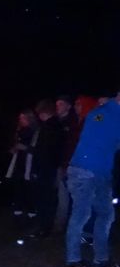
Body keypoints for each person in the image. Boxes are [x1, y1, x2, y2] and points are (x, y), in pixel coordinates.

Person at [65, 89, 120, 267]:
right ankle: (73, 259)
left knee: (106, 214)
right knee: (82, 214)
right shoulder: (100, 113)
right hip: (84, 170)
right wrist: (106, 105)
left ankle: (101, 258)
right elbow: (95, 125)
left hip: (102, 173)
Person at [29, 100, 64, 237]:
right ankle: (43, 226)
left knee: (44, 198)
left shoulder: (49, 127)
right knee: (46, 197)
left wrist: (37, 168)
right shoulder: (55, 126)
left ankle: (44, 227)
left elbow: (44, 150)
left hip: (45, 168)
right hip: (49, 167)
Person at [4, 109, 39, 225]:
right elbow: (15, 145)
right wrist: (14, 149)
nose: (21, 120)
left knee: (29, 190)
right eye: (20, 118)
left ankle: (31, 215)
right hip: (19, 163)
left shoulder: (35, 131)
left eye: (23, 118)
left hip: (30, 164)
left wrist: (25, 148)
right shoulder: (20, 130)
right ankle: (17, 214)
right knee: (18, 188)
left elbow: (38, 149)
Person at [54, 96, 78, 227]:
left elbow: (70, 145)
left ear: (68, 106)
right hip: (57, 163)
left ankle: (64, 223)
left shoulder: (74, 123)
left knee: (67, 194)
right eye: (57, 104)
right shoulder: (55, 122)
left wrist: (67, 164)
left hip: (70, 164)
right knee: (59, 194)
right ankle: (60, 222)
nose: (58, 107)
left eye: (61, 104)